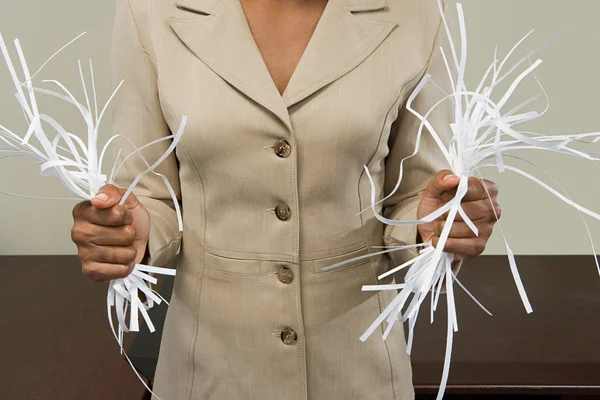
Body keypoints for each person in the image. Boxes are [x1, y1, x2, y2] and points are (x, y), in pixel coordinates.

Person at [71, 0, 501, 399]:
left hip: (358, 373)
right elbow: (148, 192)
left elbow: (414, 194)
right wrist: (130, 233)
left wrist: (435, 224)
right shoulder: (149, 10)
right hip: (209, 374)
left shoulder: (419, 12)